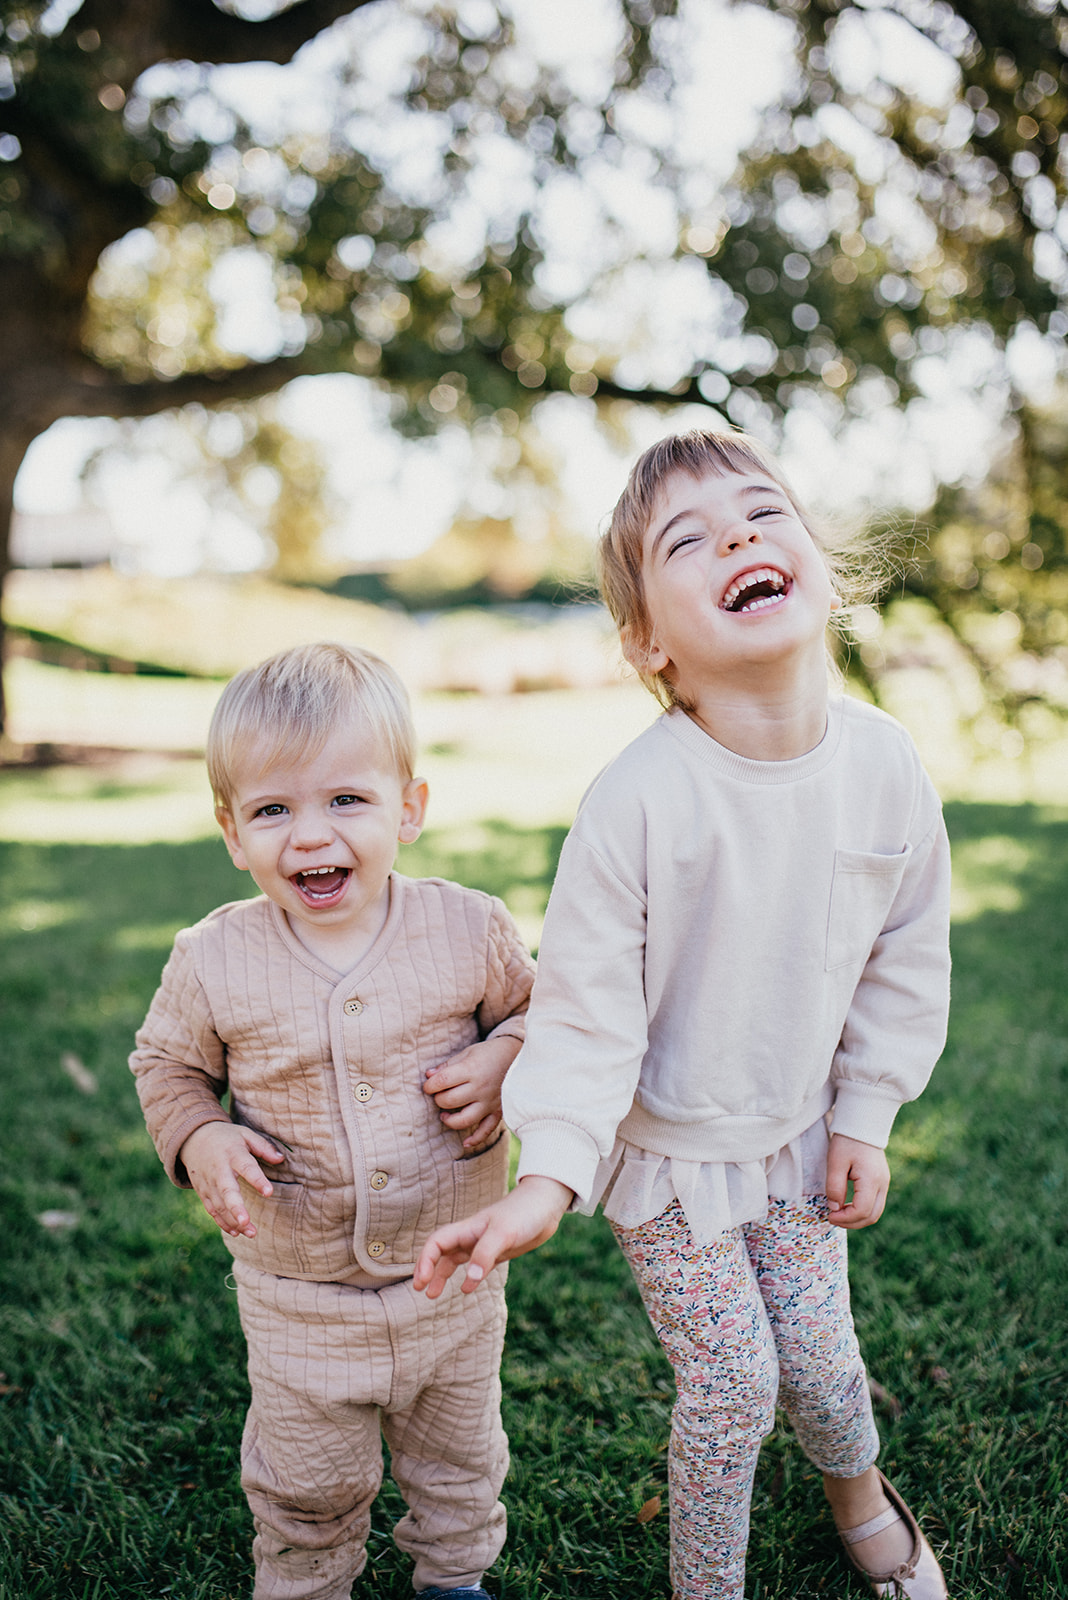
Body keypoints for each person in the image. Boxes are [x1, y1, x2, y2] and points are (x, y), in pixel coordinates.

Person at [414, 429, 952, 1600]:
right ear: (650, 643)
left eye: (762, 514)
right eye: (690, 539)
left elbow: (907, 957)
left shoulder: (886, 766)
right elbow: (586, 1011)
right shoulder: (636, 804)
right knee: (734, 1382)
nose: (740, 538)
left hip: (799, 1132)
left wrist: (865, 1114)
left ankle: (862, 1497)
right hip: (666, 1157)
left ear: (817, 561)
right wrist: (546, 1178)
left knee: (817, 1360)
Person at [130, 642, 535, 1600]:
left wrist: (508, 1056)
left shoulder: (469, 927)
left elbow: (542, 1010)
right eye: (274, 810)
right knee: (308, 1485)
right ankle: (309, 1581)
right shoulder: (212, 958)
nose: (311, 836)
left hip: (454, 1282)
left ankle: (453, 1579)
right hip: (297, 1294)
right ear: (232, 832)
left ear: (410, 807)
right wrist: (200, 1134)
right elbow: (167, 1065)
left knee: (459, 1461)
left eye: (346, 801)